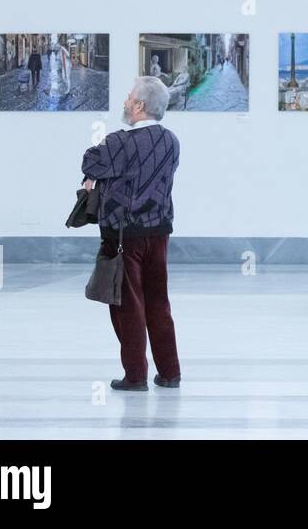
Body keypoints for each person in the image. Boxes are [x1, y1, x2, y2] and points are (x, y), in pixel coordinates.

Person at [81, 76, 183, 390]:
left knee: (127, 305)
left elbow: (90, 161)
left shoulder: (117, 142)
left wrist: (91, 179)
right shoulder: (171, 141)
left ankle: (135, 375)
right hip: (159, 231)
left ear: (139, 105)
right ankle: (169, 372)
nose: (125, 102)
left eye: (128, 97)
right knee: (158, 301)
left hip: (123, 235)